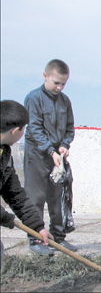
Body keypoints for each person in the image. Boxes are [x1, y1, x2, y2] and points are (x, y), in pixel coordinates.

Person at [23, 59, 77, 253]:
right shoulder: (34, 98)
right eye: (56, 82)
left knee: (57, 198)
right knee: (35, 198)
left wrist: (63, 146)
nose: (59, 87)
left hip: (57, 158)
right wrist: (50, 150)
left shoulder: (65, 101)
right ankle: (36, 240)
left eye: (63, 83)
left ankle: (59, 238)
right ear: (45, 76)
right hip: (37, 154)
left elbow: (70, 128)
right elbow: (35, 129)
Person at [1, 100, 53, 263]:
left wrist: (37, 227)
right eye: (24, 129)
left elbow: (15, 194)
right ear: (16, 131)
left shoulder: (5, 155)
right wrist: (5, 217)